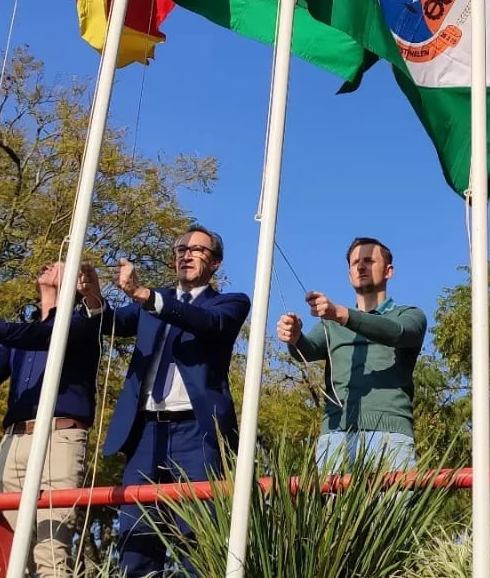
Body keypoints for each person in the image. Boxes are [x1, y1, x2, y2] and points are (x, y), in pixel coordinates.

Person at [100, 224, 250, 578]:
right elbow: (111, 322)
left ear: (215, 262)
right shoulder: (149, 304)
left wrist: (145, 294)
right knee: (136, 539)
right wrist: (92, 297)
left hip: (196, 433)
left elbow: (209, 323)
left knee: (197, 540)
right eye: (181, 249)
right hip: (145, 433)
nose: (187, 255)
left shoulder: (229, 302)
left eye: (197, 250)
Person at [0, 261, 104, 578]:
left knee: (51, 554)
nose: (48, 265)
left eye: (60, 263)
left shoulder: (83, 323)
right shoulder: (23, 329)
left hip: (60, 440)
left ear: (77, 282)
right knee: (13, 555)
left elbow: (45, 336)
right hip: (14, 441)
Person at [275, 237, 427, 472]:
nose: (361, 266)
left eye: (369, 261)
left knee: (394, 499)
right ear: (349, 275)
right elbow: (307, 350)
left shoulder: (409, 315)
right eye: (355, 263)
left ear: (389, 271)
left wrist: (342, 315)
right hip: (336, 436)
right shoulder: (331, 324)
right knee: (332, 499)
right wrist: (294, 336)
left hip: (391, 436)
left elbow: (399, 333)